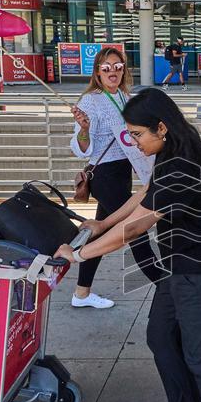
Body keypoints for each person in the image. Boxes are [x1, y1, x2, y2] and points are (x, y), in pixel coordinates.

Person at [54, 88, 201, 402]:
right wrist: (102, 222)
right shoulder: (171, 149)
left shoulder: (183, 161)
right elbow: (145, 193)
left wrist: (80, 254)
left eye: (138, 134)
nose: (133, 141)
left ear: (161, 127)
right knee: (161, 337)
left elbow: (137, 226)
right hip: (178, 267)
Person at [69, 47, 163, 309]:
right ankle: (165, 286)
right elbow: (80, 148)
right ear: (97, 72)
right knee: (136, 229)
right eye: (106, 67)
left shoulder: (124, 97)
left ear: (124, 69)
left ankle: (81, 293)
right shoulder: (90, 101)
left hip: (125, 172)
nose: (113, 71)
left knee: (99, 232)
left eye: (118, 66)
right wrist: (85, 130)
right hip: (104, 175)